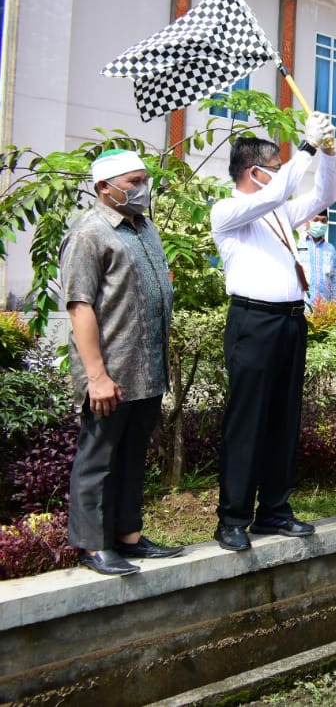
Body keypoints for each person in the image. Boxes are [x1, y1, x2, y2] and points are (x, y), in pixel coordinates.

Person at [209, 111, 336, 552]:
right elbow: (282, 188)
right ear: (255, 173)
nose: (283, 172)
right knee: (248, 420)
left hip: (288, 320)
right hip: (253, 321)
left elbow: (324, 196)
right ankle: (233, 518)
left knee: (284, 417)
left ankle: (275, 511)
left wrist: (329, 155)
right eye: (276, 166)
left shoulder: (278, 210)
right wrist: (307, 147)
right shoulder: (229, 210)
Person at [59, 148, 182, 576]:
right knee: (98, 458)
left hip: (147, 369)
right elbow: (80, 306)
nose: (142, 188)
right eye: (133, 182)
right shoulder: (89, 233)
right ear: (104, 188)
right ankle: (92, 546)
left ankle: (128, 536)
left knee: (132, 455)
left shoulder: (144, 228)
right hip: (110, 372)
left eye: (143, 179)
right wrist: (96, 376)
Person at [298, 211, 336, 306]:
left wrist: (335, 305)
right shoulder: (297, 244)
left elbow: (333, 279)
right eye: (316, 220)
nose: (320, 224)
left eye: (323, 221)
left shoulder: (330, 249)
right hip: (302, 307)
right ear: (306, 222)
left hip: (324, 309)